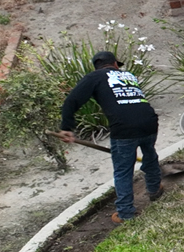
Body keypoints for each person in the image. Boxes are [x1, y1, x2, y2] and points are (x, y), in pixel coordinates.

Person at [59, 49, 162, 225]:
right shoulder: (129, 76)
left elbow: (71, 101)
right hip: (149, 122)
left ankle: (125, 213)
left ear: (96, 66)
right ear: (115, 64)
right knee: (150, 155)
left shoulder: (94, 77)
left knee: (123, 170)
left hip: (124, 129)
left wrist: (66, 127)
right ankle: (154, 188)